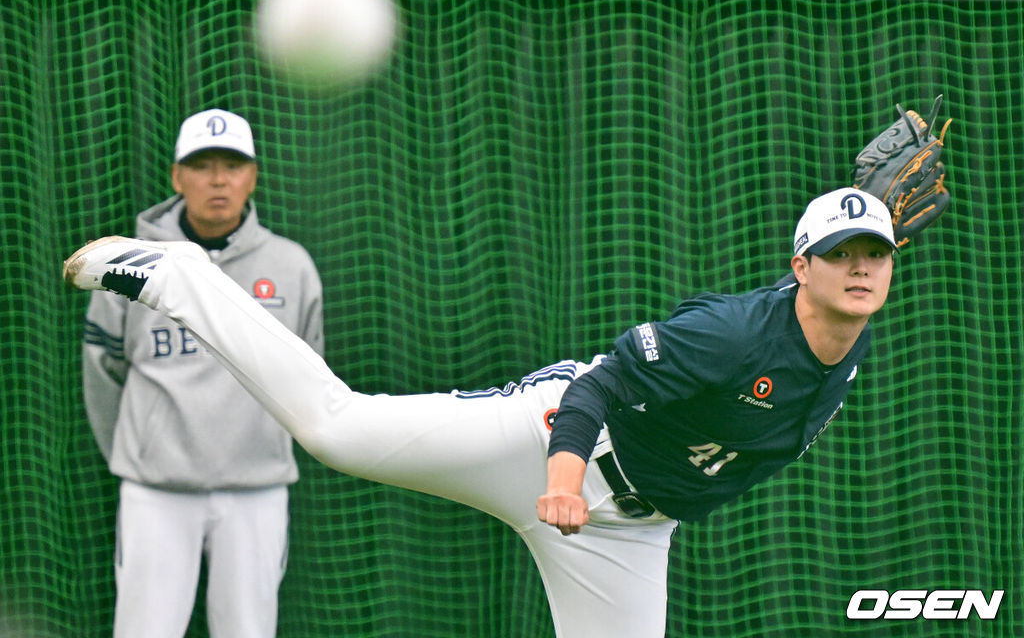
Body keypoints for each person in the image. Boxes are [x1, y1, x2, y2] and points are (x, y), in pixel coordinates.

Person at [65, 186, 894, 638]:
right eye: (839, 255)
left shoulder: (850, 325)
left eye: (876, 255)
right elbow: (596, 386)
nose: (860, 270)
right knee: (334, 430)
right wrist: (564, 480)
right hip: (548, 445)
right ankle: (178, 277)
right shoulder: (730, 336)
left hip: (633, 532)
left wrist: (866, 214)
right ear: (800, 266)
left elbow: (850, 277)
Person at [79, 109, 324, 638]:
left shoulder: (292, 266)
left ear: (253, 176)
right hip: (156, 491)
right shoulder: (130, 265)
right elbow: (103, 370)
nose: (218, 179)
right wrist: (139, 452)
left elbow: (309, 379)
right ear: (176, 177)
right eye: (202, 165)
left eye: (233, 165)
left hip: (257, 489)